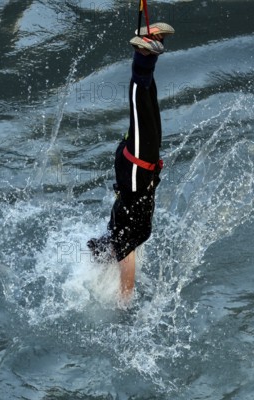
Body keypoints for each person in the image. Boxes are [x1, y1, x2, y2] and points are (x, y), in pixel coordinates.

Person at [88, 22, 174, 302]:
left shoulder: (122, 233)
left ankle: (142, 52)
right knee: (148, 109)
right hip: (136, 167)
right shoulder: (116, 223)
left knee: (141, 110)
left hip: (138, 169)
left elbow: (127, 268)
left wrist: (124, 305)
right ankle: (149, 48)